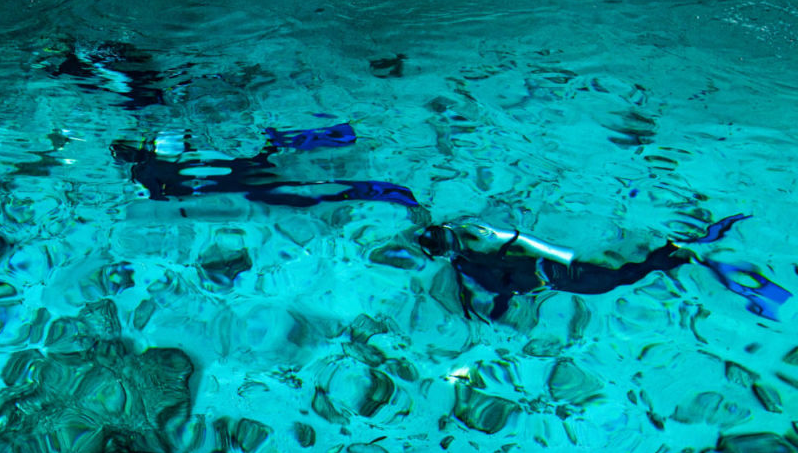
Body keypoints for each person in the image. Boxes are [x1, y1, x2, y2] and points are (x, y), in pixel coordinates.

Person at [417, 214, 790, 321]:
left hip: (567, 279)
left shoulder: (469, 266)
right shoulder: (472, 262)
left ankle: (685, 251)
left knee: (634, 271)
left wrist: (499, 308)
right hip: (567, 278)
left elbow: (505, 285)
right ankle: (686, 250)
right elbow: (508, 270)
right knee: (634, 271)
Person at [111, 122, 420, 208]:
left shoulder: (143, 174)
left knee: (302, 193)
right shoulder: (157, 148)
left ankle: (386, 192)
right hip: (232, 168)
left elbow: (161, 197)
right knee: (273, 153)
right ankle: (342, 135)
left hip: (233, 183)